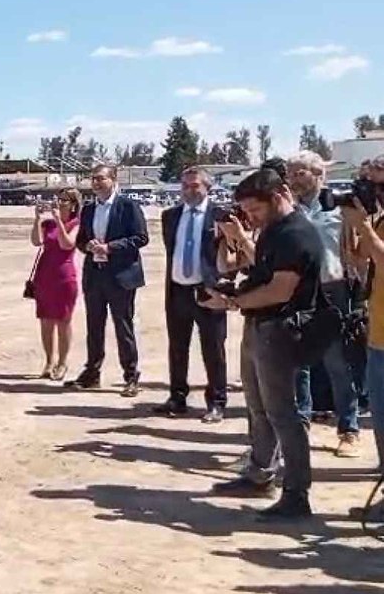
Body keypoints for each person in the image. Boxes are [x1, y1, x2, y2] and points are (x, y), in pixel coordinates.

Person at [204, 167, 324, 521]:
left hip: (282, 331)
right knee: (258, 408)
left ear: (276, 198)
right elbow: (263, 269)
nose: (251, 217)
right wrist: (235, 285)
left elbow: (280, 288)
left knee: (284, 415)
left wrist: (233, 302)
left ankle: (297, 493)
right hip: (260, 326)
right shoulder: (274, 230)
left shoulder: (297, 233)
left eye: (255, 210)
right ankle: (260, 474)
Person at [286, 151, 361, 455]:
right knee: (297, 365)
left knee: (338, 363)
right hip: (297, 293)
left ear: (319, 175)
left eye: (299, 173)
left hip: (333, 291)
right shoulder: (288, 211)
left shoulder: (340, 209)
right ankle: (299, 426)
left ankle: (349, 429)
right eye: (290, 174)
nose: (292, 179)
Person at [65, 164, 148, 397]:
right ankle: (92, 373)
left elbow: (141, 237)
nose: (96, 183)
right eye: (93, 179)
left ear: (113, 180)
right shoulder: (89, 210)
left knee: (123, 326)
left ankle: (131, 376)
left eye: (101, 178)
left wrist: (110, 247)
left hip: (121, 276)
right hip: (95, 275)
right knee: (94, 326)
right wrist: (88, 246)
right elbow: (81, 240)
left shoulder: (128, 206)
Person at [155, 166, 228, 423]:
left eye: (194, 185)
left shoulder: (221, 216)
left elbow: (231, 256)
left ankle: (217, 401)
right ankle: (177, 397)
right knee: (177, 347)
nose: (188, 190)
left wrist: (220, 284)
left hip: (207, 291)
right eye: (184, 186)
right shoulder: (170, 216)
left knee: (213, 348)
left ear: (207, 187)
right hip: (177, 290)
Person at [342, 155, 384, 472]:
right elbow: (360, 261)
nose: (373, 189)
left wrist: (363, 226)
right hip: (378, 335)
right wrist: (352, 229)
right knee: (381, 426)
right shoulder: (380, 221)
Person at [29, 188, 81, 380]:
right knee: (45, 320)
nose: (59, 203)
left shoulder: (76, 223)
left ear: (73, 204)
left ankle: (62, 362)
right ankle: (49, 361)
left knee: (63, 321)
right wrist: (37, 219)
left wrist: (59, 221)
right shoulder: (48, 224)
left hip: (64, 276)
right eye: (58, 200)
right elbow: (36, 242)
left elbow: (67, 244)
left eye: (64, 201)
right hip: (44, 276)